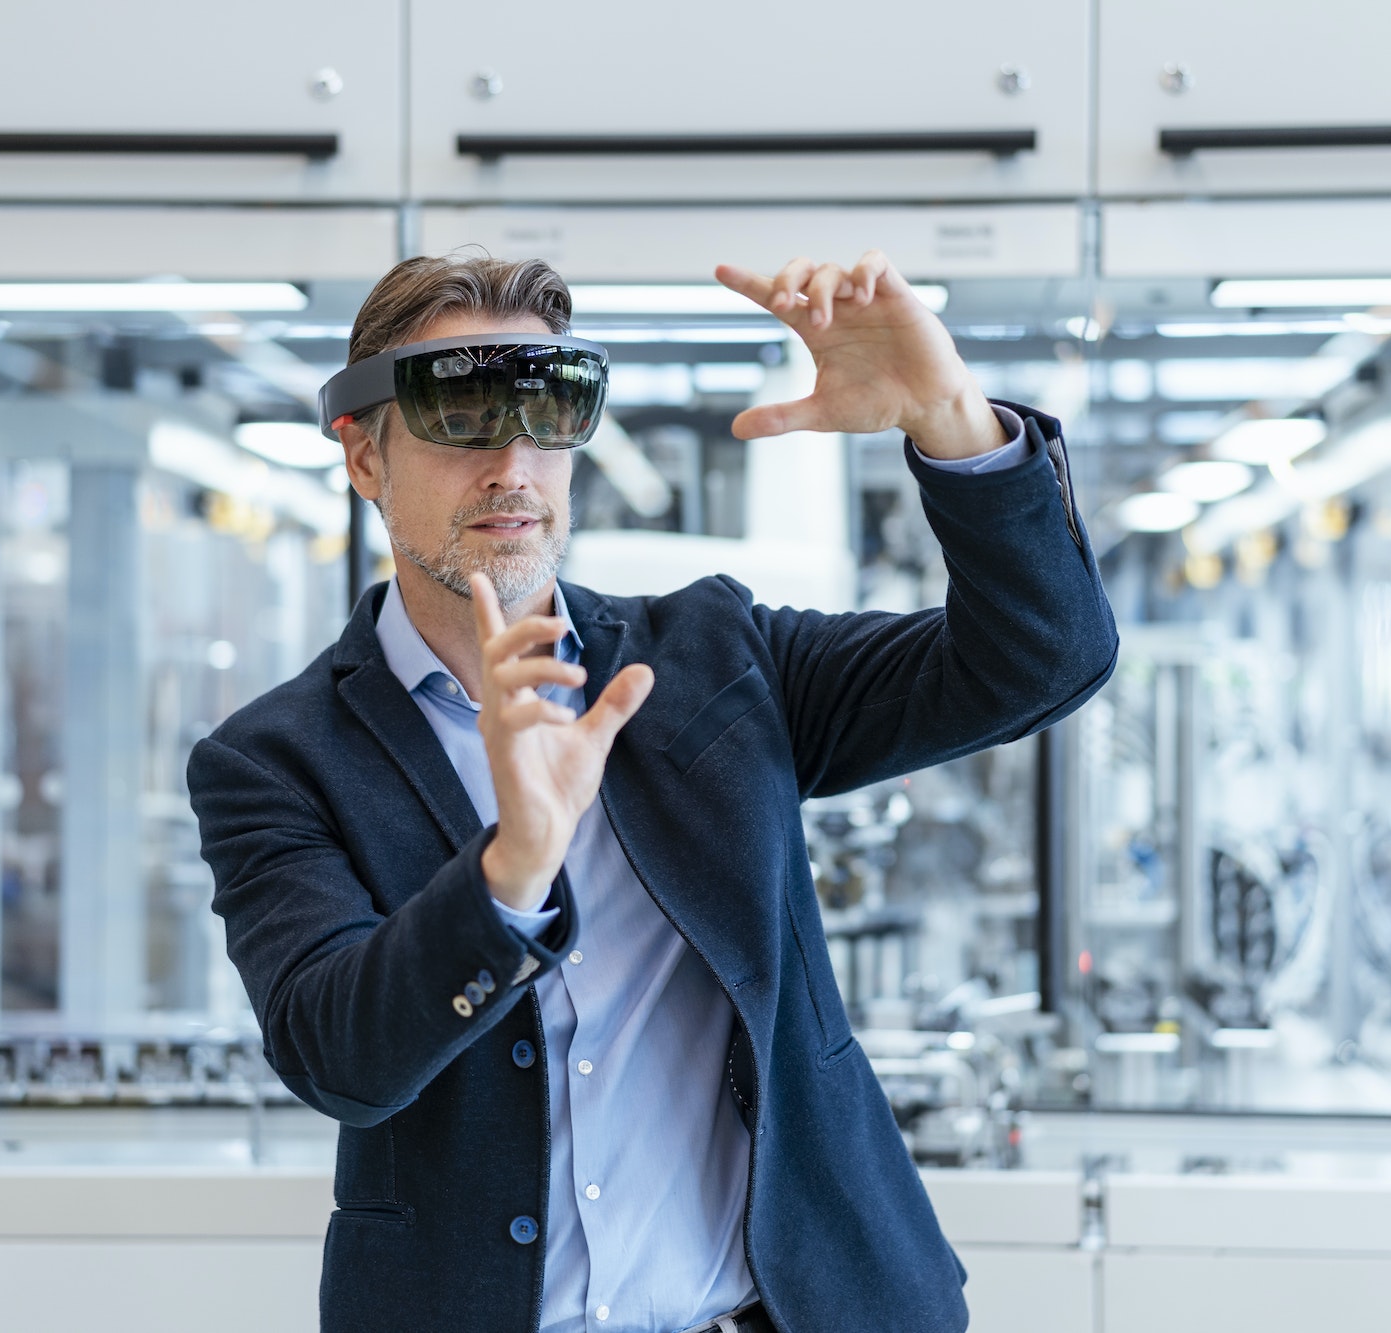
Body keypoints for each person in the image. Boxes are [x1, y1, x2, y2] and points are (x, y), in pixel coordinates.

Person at [187, 249, 1117, 1333]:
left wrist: (953, 421)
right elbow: (337, 1057)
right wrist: (509, 875)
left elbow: (1044, 658)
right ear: (363, 458)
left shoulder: (713, 660)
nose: (513, 464)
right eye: (461, 418)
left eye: (548, 412)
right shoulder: (277, 758)